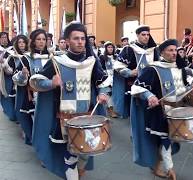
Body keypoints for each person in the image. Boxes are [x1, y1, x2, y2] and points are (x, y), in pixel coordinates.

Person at [28, 22, 110, 179]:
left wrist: (103, 93)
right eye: (76, 39)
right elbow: (36, 81)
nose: (80, 42)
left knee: (85, 153)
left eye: (82, 38)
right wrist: (51, 82)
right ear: (67, 41)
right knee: (70, 155)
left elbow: (103, 82)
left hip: (88, 116)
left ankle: (79, 169)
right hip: (64, 119)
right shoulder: (56, 62)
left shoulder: (92, 62)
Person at [131, 39, 193, 180]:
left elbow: (183, 87)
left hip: (178, 111)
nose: (174, 53)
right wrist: (149, 95)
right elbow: (136, 87)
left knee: (169, 140)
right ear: (162, 52)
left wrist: (191, 89)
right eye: (170, 50)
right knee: (165, 139)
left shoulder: (180, 68)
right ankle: (169, 168)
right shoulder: (153, 69)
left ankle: (157, 163)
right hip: (160, 112)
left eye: (175, 50)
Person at [113, 25, 159, 118]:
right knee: (136, 114)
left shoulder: (153, 50)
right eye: (143, 34)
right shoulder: (129, 49)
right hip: (133, 84)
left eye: (148, 35)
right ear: (137, 35)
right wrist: (129, 72)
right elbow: (118, 66)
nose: (146, 37)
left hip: (151, 84)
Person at [6, 35, 29, 142]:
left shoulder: (30, 56)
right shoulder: (13, 56)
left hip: (30, 88)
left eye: (23, 42)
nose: (21, 44)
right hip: (17, 86)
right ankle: (24, 128)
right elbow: (10, 71)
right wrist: (4, 64)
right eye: (19, 42)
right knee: (20, 107)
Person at [99, 41, 118, 118]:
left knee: (114, 94)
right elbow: (100, 68)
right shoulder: (102, 57)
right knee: (108, 93)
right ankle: (110, 109)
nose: (110, 49)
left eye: (112, 47)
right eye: (109, 47)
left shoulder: (116, 56)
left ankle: (112, 108)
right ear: (106, 48)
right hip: (106, 77)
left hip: (115, 77)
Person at [0, 32, 16, 121]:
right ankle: (9, 112)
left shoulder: (12, 50)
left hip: (9, 76)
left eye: (5, 37)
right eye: (2, 38)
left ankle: (12, 114)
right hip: (1, 75)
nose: (4, 39)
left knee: (7, 94)